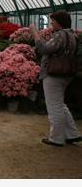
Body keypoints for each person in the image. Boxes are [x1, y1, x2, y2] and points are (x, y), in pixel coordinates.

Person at [29, 11, 81, 147]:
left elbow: (44, 49)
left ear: (60, 22)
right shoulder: (72, 35)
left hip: (54, 74)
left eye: (53, 21)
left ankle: (56, 138)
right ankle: (72, 134)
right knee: (60, 104)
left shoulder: (60, 35)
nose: (51, 23)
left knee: (54, 106)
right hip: (66, 74)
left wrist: (35, 33)